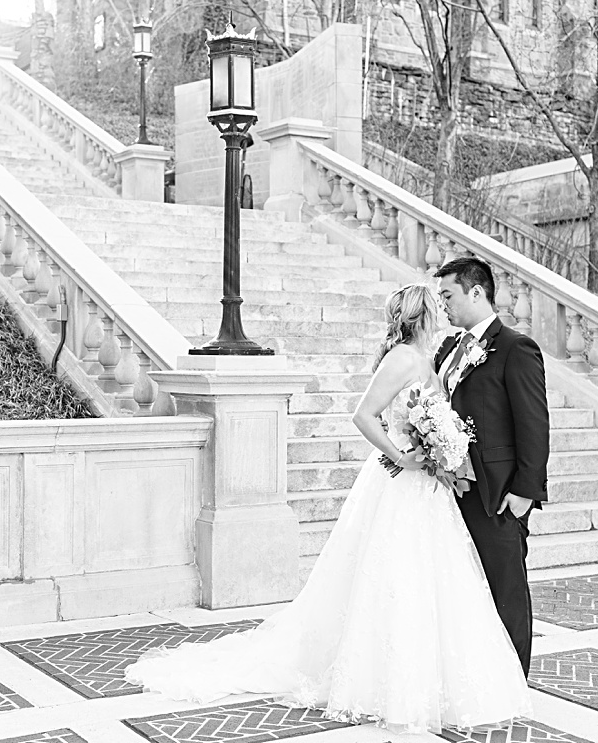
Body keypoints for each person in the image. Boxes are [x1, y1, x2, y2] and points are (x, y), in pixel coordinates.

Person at [125, 283, 532, 735]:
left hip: (429, 491)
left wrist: (441, 451)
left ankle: (435, 675)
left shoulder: (431, 359)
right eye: (437, 306)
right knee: (395, 577)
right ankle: (382, 680)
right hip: (401, 486)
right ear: (422, 315)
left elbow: (429, 414)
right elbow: (363, 415)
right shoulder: (402, 358)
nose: (443, 312)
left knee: (430, 579)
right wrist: (401, 455)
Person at [433, 257, 550, 676]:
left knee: (506, 589)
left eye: (448, 294)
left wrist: (524, 493)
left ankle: (513, 679)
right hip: (454, 489)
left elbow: (534, 425)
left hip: (498, 494)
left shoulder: (516, 348)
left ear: (476, 291)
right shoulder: (450, 348)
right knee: (466, 587)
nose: (442, 304)